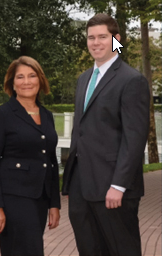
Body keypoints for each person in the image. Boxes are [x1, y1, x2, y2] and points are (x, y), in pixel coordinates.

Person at [62, 13, 150, 256]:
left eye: (103, 36)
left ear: (116, 39)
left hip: (114, 189)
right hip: (82, 187)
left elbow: (134, 139)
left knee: (122, 250)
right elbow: (80, 132)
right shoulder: (83, 79)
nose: (96, 42)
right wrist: (71, 183)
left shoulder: (132, 80)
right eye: (91, 37)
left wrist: (119, 185)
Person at [0, 56, 61, 256]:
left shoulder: (47, 115)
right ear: (12, 83)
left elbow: (51, 161)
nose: (26, 82)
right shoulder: (3, 114)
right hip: (14, 198)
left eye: (32, 76)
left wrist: (54, 203)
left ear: (40, 80)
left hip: (40, 199)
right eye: (20, 77)